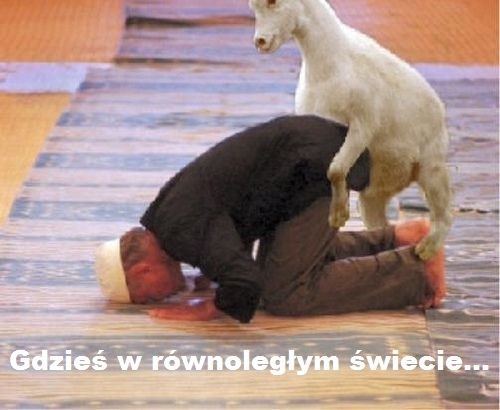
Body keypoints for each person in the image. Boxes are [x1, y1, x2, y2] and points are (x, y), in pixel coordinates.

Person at [94, 115, 445, 323]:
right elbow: (226, 230)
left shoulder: (181, 231)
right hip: (305, 165)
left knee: (286, 293)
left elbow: (244, 282)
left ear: (143, 271)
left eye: (146, 297)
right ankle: (399, 237)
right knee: (280, 269)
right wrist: (216, 273)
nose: (156, 301)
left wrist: (211, 307)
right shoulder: (165, 219)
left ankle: (414, 269)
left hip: (313, 170)